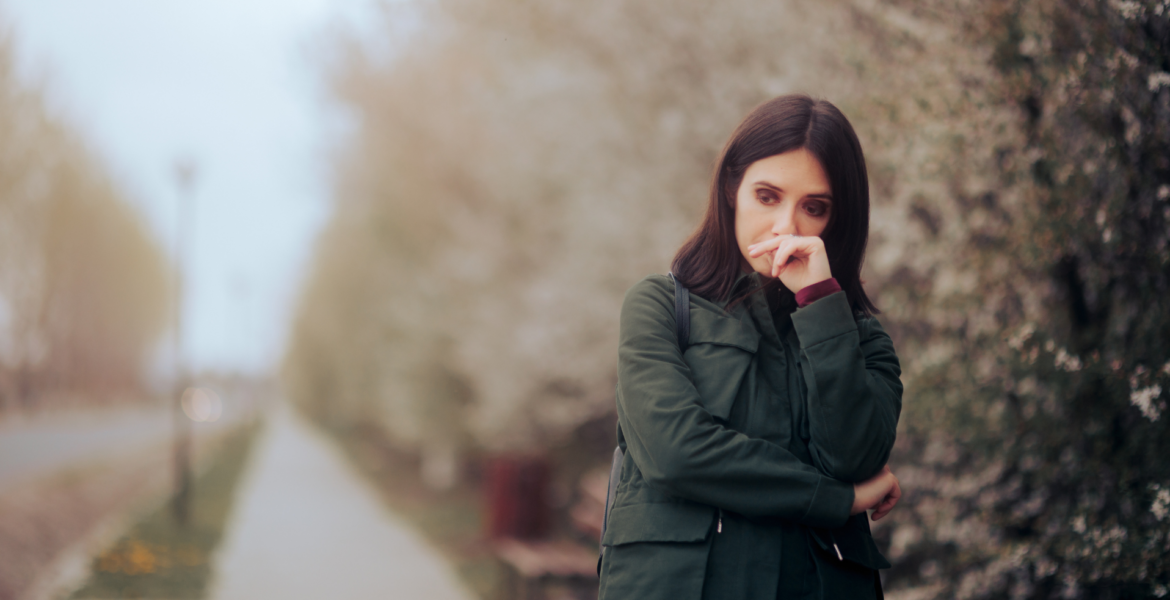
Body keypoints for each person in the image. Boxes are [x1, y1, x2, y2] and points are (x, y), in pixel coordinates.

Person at [598, 94, 903, 600]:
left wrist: (821, 303)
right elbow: (677, 454)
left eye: (815, 207)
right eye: (767, 196)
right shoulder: (657, 307)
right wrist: (836, 500)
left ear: (839, 220)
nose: (787, 226)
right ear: (730, 190)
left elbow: (855, 457)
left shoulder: (863, 341)